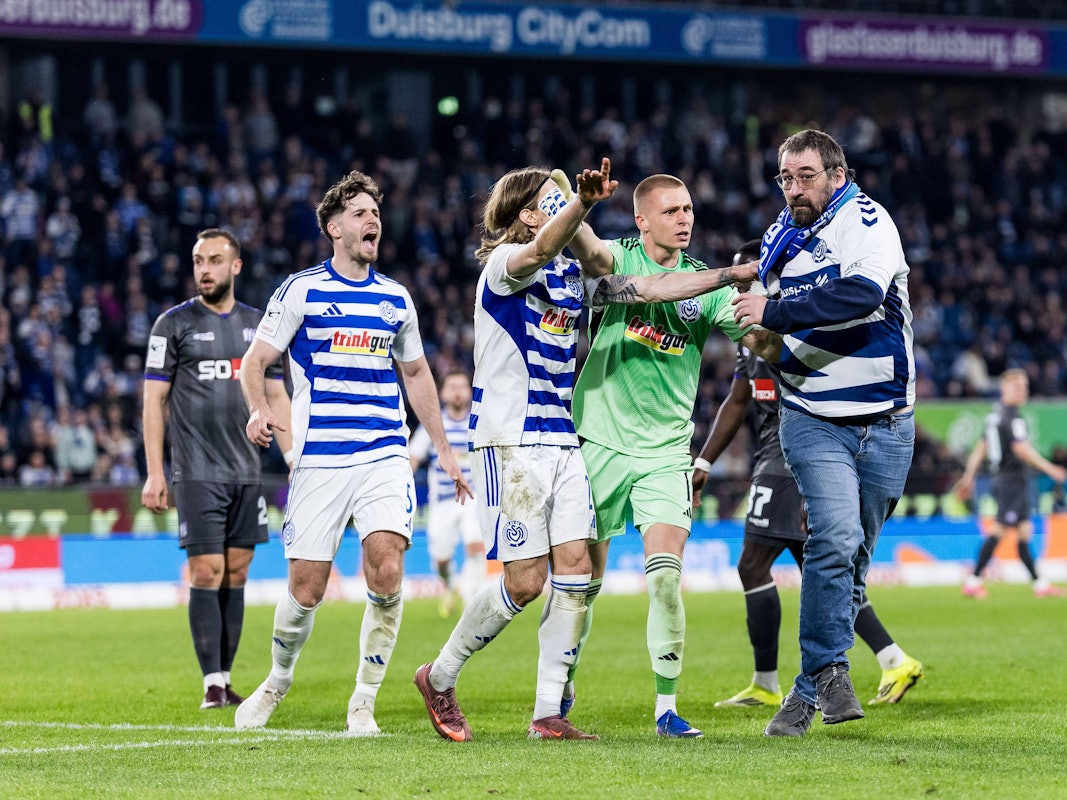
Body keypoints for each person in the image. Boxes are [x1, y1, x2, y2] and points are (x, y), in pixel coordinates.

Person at [414, 158, 760, 742]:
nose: (561, 206)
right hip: (511, 440)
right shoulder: (504, 266)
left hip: (563, 438)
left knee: (575, 571)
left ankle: (548, 712)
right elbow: (544, 247)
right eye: (551, 200)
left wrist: (730, 276)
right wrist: (583, 203)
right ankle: (441, 674)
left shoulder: (574, 282)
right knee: (526, 583)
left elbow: (651, 287)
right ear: (529, 214)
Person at [234, 170, 472, 736]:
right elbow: (255, 363)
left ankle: (363, 702)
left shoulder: (396, 298)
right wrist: (258, 410)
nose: (373, 222)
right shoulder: (300, 290)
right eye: (361, 213)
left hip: (384, 453)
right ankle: (277, 681)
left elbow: (417, 374)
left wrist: (443, 448)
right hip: (320, 457)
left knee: (387, 570)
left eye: (376, 214)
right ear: (334, 228)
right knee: (306, 588)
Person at [564, 175, 777, 739]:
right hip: (600, 442)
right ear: (642, 220)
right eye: (671, 211)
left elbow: (763, 343)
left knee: (664, 577)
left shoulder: (708, 289)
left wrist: (781, 330)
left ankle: (666, 707)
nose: (685, 219)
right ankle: (561, 683)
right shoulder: (617, 260)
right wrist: (578, 202)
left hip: (665, 452)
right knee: (583, 582)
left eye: (688, 209)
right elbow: (602, 260)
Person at [731, 129, 916, 737]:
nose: (793, 188)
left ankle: (809, 687)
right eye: (785, 177)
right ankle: (829, 672)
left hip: (886, 420)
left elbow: (861, 297)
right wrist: (760, 336)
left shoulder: (868, 222)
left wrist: (774, 313)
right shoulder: (778, 238)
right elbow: (759, 329)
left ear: (838, 175)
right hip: (811, 416)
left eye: (805, 176)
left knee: (854, 560)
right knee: (834, 539)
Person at [694, 239, 924, 709]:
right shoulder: (747, 334)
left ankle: (771, 682)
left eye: (747, 278)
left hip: (794, 456)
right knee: (818, 568)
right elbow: (738, 399)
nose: (739, 288)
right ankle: (892, 658)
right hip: (771, 457)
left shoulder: (796, 325)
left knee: (761, 564)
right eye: (735, 279)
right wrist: (703, 461)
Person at [141, 228, 292, 710]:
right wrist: (155, 472)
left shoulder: (259, 326)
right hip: (196, 470)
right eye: (198, 261)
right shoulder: (172, 324)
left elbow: (276, 394)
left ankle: (225, 679)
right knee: (206, 570)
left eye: (214, 260)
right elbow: (153, 401)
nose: (204, 269)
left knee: (237, 571)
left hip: (247, 470)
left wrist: (293, 458)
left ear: (236, 266)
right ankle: (211, 682)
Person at [953, 369, 1066, 599]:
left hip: (1004, 479)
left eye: (1025, 387)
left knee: (1024, 531)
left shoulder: (994, 416)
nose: (1023, 391)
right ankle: (973, 581)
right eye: (1018, 386)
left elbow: (979, 450)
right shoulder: (1013, 417)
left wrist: (968, 477)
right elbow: (1021, 449)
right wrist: (1051, 468)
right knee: (1000, 529)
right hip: (1011, 480)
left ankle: (1039, 584)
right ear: (1005, 388)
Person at [408, 370, 485, 616]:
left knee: (476, 548)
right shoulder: (433, 425)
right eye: (452, 387)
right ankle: (451, 586)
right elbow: (413, 457)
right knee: (441, 560)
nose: (457, 392)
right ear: (442, 393)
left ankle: (471, 602)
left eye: (462, 386)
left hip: (474, 498)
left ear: (470, 392)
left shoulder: (480, 423)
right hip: (443, 500)